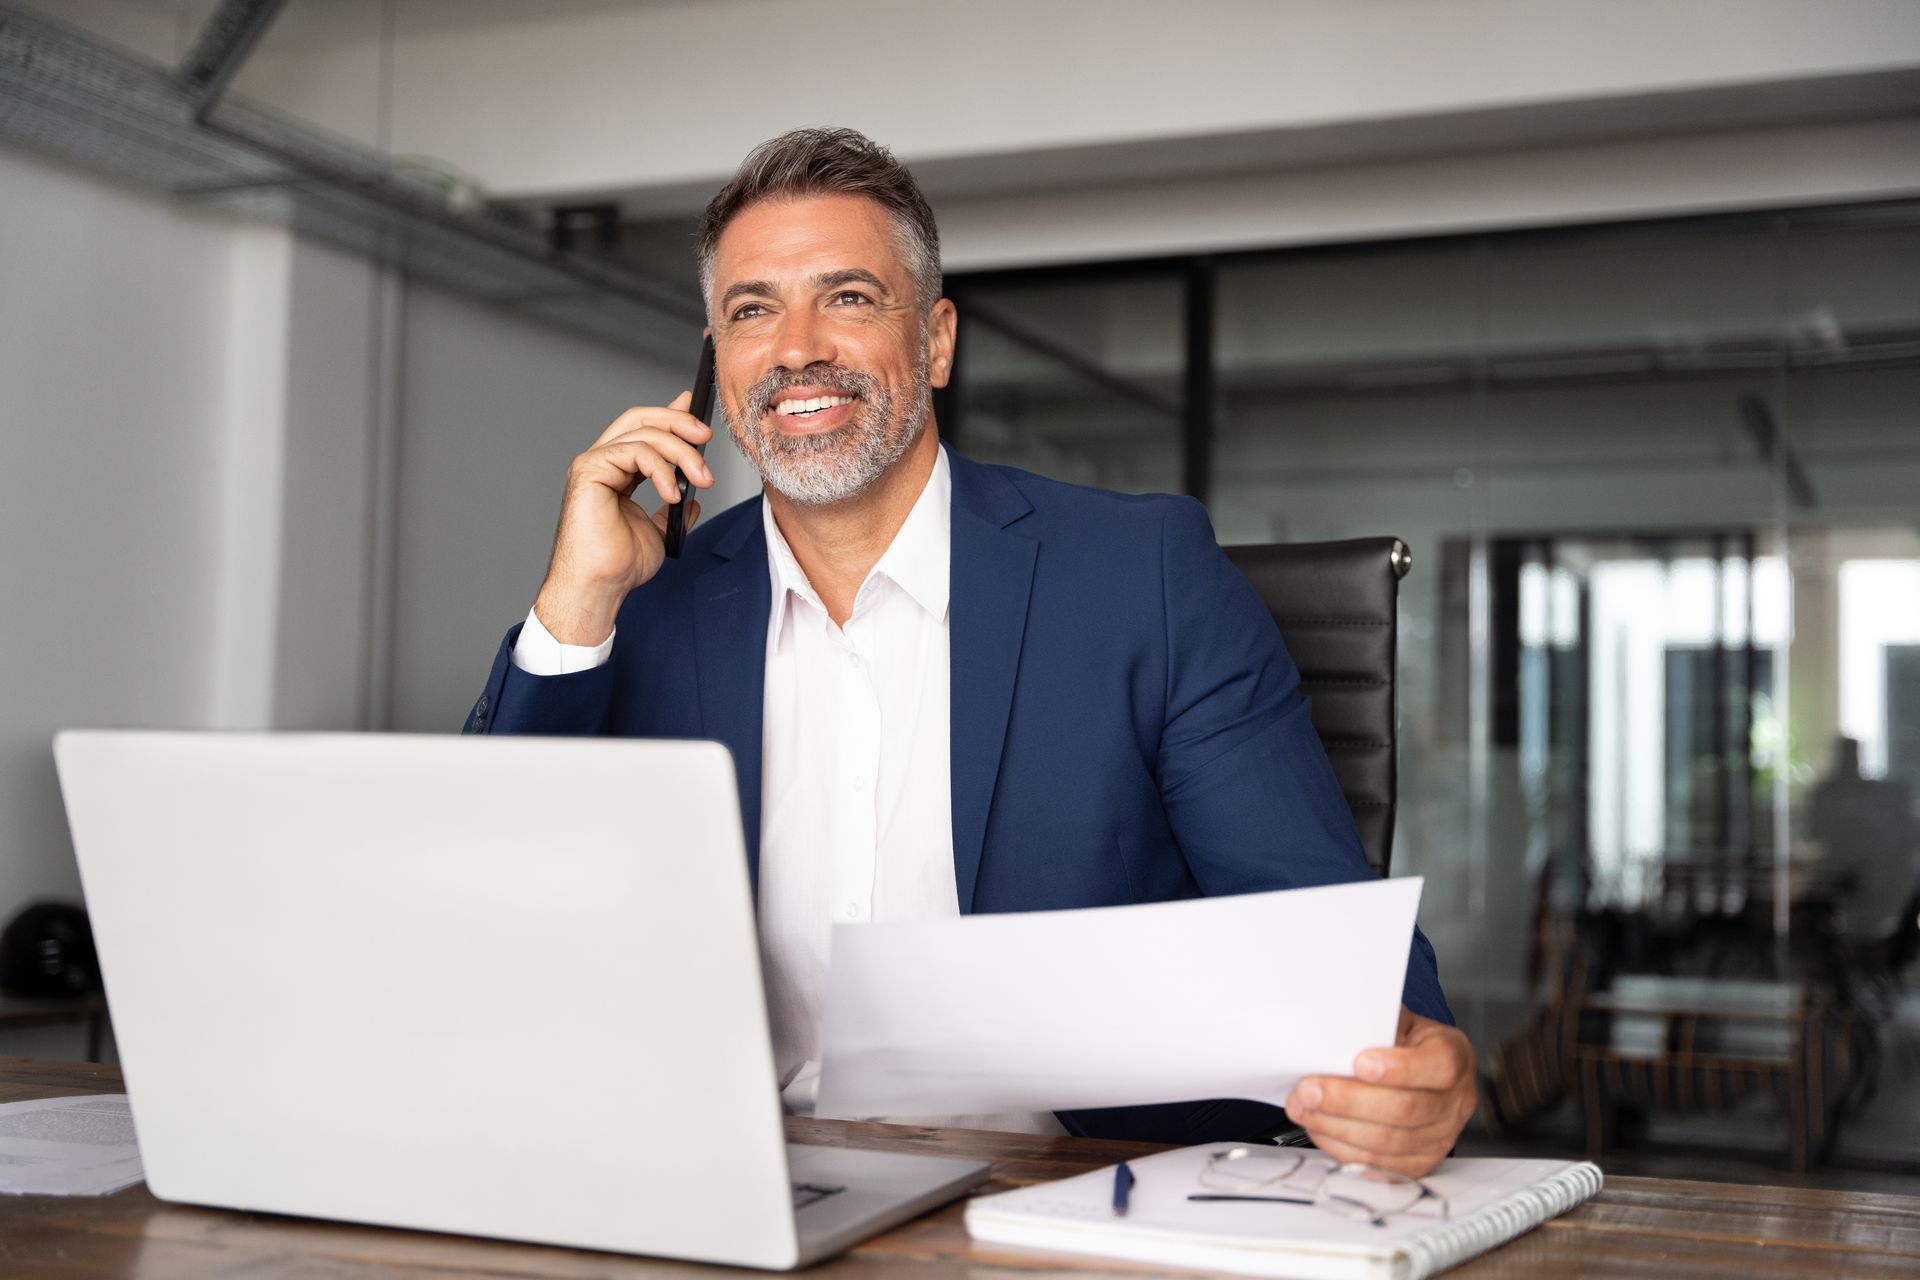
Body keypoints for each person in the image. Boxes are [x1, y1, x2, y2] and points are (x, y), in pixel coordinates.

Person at [465, 127, 1475, 1174]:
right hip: (725, 1182)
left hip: (1061, 1197)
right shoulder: (652, 601)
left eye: (848, 297)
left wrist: (1416, 1060)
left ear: (938, 342)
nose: (797, 346)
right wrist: (574, 604)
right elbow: (483, 922)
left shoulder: (1143, 574)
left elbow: (1327, 940)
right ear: (717, 366)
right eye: (752, 310)